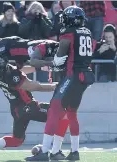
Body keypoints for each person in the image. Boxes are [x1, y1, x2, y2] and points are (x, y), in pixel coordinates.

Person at [25, 6, 96, 161]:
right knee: (71, 113)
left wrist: (54, 63)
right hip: (84, 76)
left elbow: (61, 54)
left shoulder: (68, 33)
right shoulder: (87, 33)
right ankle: (74, 152)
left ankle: (44, 152)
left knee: (54, 110)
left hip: (72, 76)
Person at [0, 57, 56, 161]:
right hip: (28, 106)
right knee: (58, 115)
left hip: (17, 110)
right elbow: (35, 87)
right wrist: (55, 87)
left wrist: (38, 68)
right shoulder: (11, 77)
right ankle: (48, 150)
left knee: (17, 140)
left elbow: (19, 71)